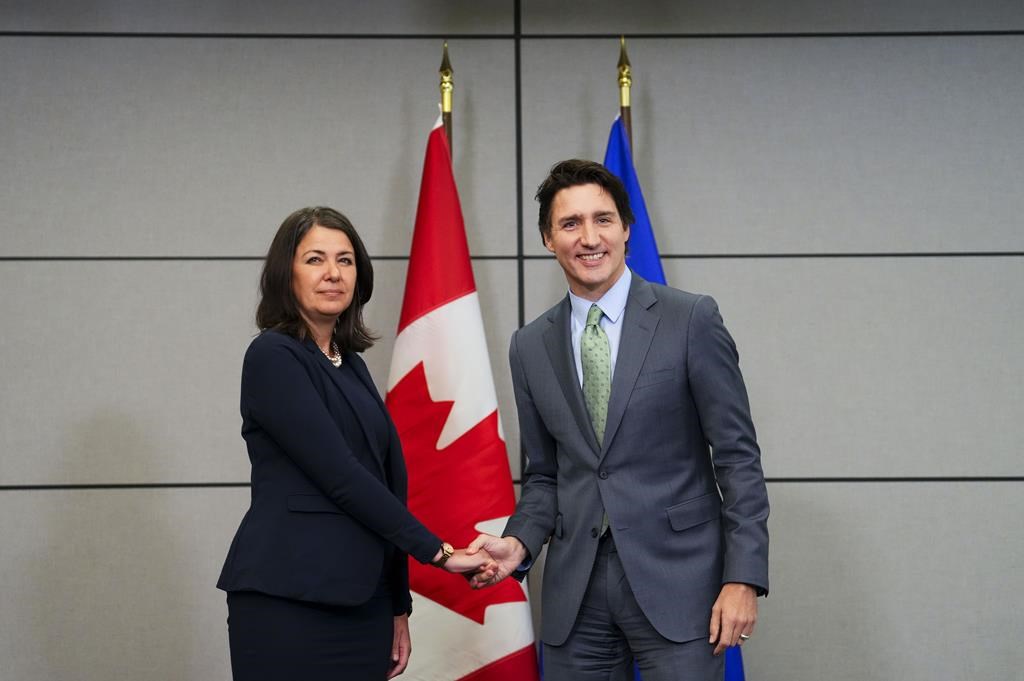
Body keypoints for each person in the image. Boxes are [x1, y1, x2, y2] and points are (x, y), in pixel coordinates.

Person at [467, 161, 770, 680]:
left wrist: (743, 577)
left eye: (603, 219)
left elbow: (737, 458)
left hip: (681, 585)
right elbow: (546, 476)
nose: (589, 238)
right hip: (576, 595)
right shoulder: (529, 345)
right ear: (548, 238)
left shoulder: (691, 319)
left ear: (626, 228)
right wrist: (517, 542)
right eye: (570, 224)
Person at [217, 207, 492, 681]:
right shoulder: (272, 356)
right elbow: (341, 476)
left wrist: (398, 605)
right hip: (288, 600)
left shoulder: (351, 364)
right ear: (286, 273)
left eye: (345, 261)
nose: (333, 273)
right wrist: (440, 553)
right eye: (315, 259)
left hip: (364, 607)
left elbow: (385, 486)